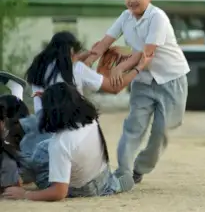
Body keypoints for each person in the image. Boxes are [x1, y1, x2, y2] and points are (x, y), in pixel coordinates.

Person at [89, 0, 190, 186]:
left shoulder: (158, 17)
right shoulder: (125, 17)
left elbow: (147, 52)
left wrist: (120, 68)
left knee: (161, 132)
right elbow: (104, 43)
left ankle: (139, 168)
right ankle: (123, 172)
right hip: (143, 81)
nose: (132, 1)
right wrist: (85, 62)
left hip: (171, 79)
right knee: (133, 127)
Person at [20, 31, 150, 190]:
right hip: (71, 127)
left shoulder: (39, 68)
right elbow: (114, 88)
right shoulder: (77, 69)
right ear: (71, 52)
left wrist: (86, 56)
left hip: (43, 129)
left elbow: (66, 67)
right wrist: (138, 68)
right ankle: (110, 183)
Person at [2, 83, 131, 201]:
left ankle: (16, 175)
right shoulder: (89, 118)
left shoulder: (61, 144)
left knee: (37, 155)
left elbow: (59, 192)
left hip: (82, 189)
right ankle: (112, 185)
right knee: (44, 146)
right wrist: (49, 97)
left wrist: (25, 194)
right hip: (102, 175)